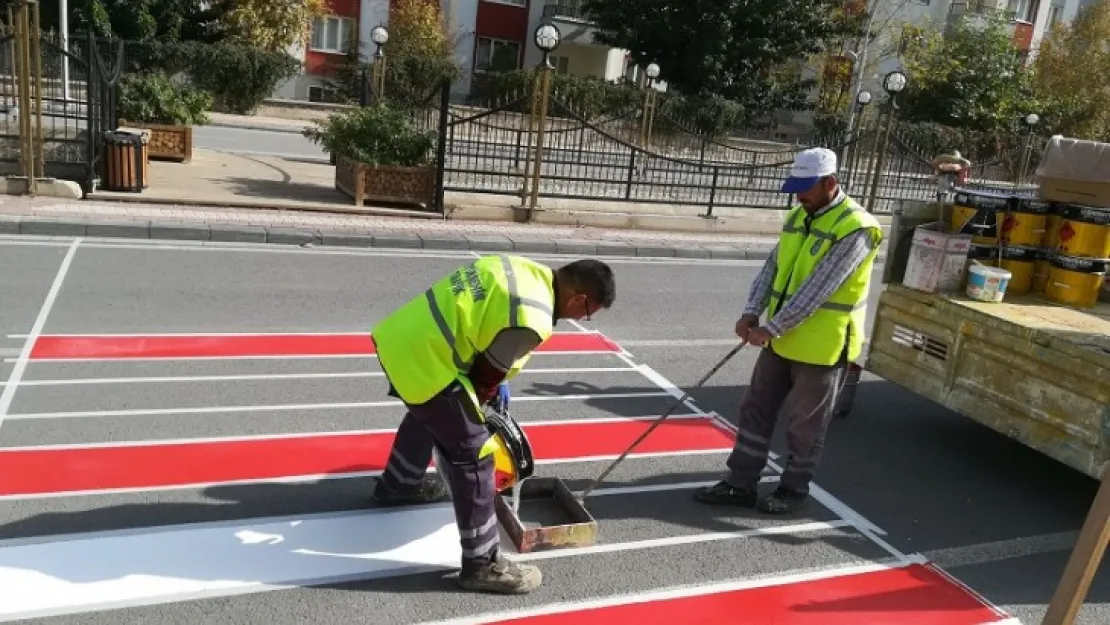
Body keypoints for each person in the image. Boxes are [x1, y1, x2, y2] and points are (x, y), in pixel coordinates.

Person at [368, 255, 616, 594]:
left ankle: (398, 486)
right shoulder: (533, 317)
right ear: (577, 298)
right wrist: (480, 410)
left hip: (402, 340)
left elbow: (480, 320)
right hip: (428, 357)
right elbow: (485, 375)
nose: (582, 319)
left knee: (428, 412)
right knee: (474, 453)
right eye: (587, 313)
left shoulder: (519, 269)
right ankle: (482, 565)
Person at [694, 147, 883, 515]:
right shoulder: (799, 214)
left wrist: (772, 327)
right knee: (755, 409)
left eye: (806, 188)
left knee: (805, 424)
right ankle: (739, 483)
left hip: (822, 346)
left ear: (831, 183)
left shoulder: (857, 227)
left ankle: (793, 488)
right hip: (780, 340)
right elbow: (771, 268)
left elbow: (820, 288)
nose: (798, 196)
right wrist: (751, 312)